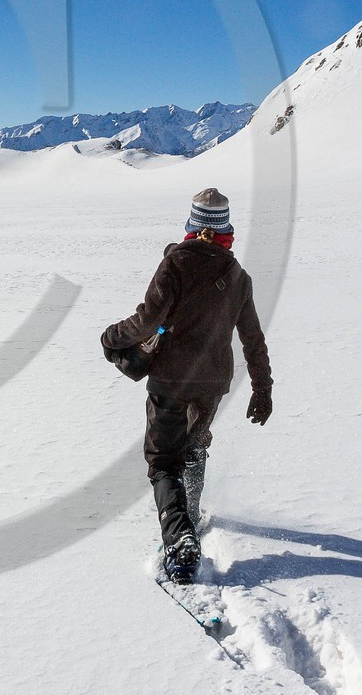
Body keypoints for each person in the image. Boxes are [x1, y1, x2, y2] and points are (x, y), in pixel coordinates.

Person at [100, 187, 273, 584]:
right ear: (226, 230)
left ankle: (180, 540)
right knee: (193, 445)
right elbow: (252, 338)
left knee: (163, 463)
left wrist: (111, 337)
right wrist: (262, 387)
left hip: (171, 380)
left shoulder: (175, 265)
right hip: (213, 381)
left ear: (192, 226)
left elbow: (146, 322)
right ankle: (189, 514)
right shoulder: (237, 277)